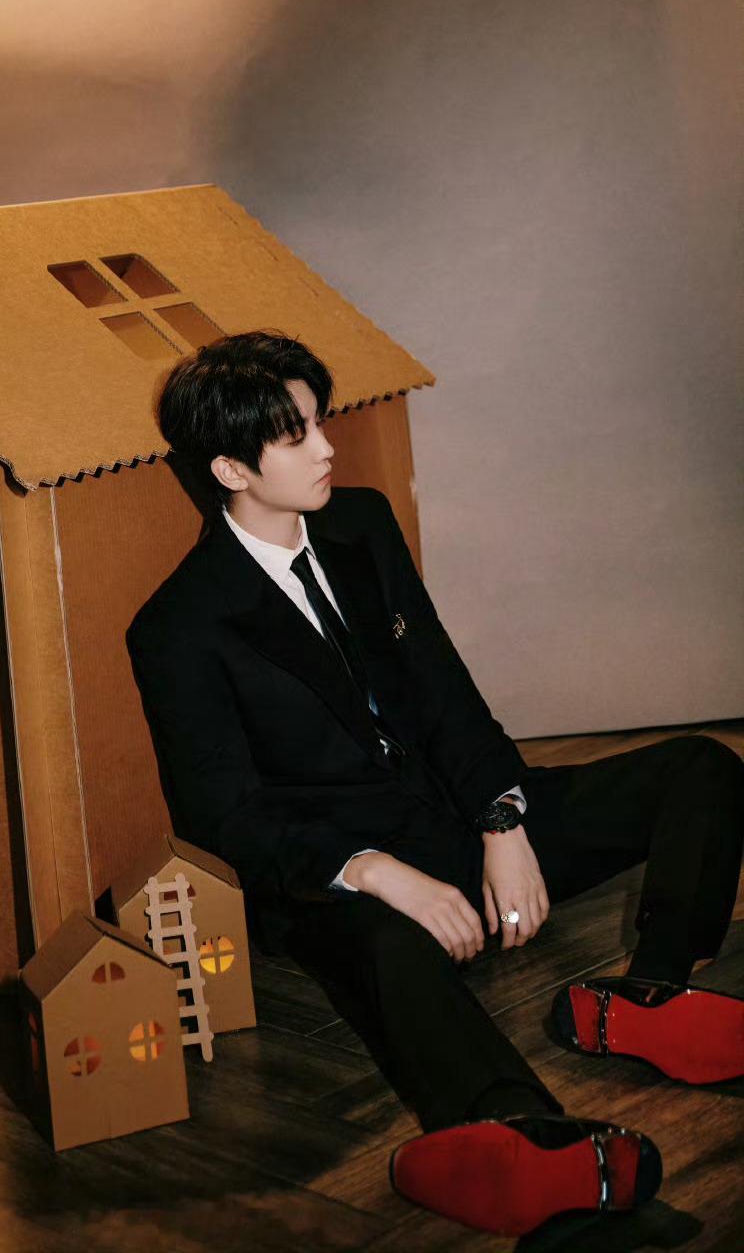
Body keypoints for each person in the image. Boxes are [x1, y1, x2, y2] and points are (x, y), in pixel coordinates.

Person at [126, 330, 744, 1238]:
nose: (326, 446)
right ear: (229, 468)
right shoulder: (178, 626)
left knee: (702, 767)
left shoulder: (361, 524)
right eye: (296, 435)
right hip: (342, 873)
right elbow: (226, 816)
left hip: (457, 817)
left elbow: (443, 688)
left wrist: (501, 819)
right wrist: (377, 872)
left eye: (319, 421)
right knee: (384, 947)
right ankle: (512, 1128)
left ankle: (648, 997)